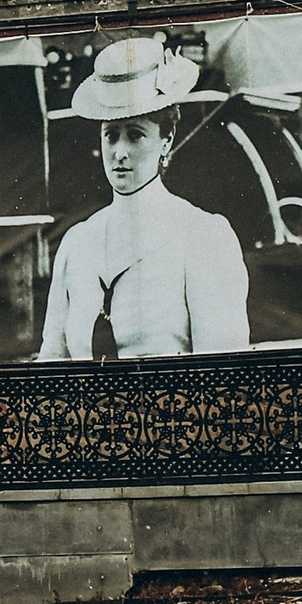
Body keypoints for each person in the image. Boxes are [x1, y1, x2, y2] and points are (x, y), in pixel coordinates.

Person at [37, 37, 253, 363]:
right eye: (111, 135)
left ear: (167, 139)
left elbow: (221, 369)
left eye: (135, 135)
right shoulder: (76, 244)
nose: (120, 152)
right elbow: (52, 362)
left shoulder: (203, 235)